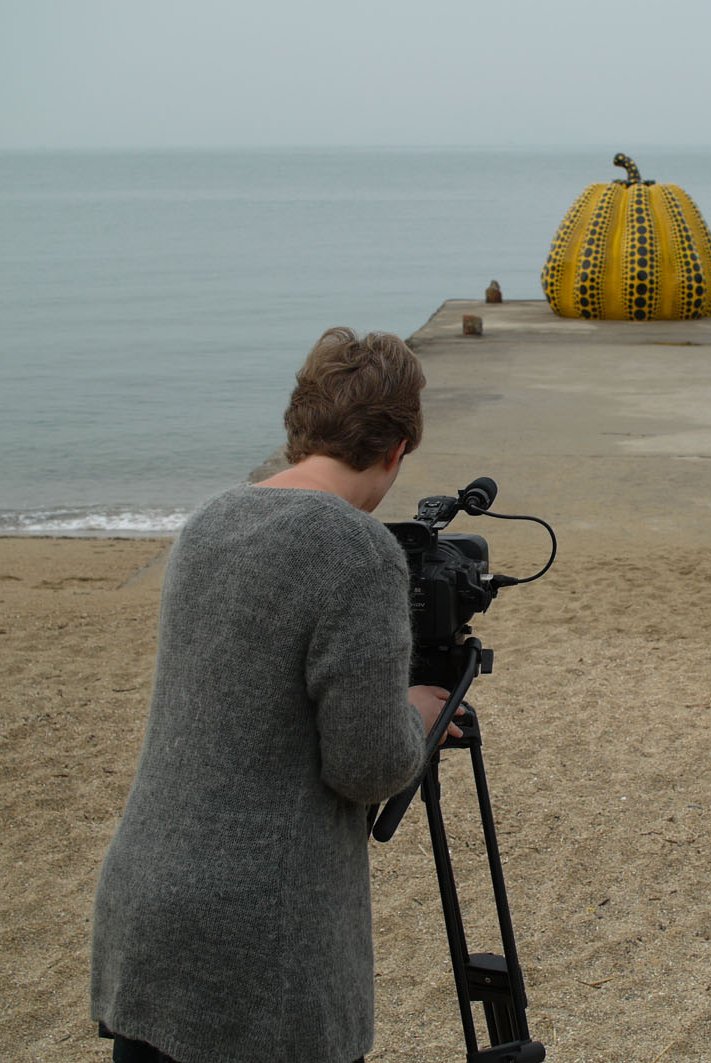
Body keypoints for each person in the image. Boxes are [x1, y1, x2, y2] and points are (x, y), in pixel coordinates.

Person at [91, 327, 458, 1063]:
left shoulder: (211, 520)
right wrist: (423, 707)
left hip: (144, 904)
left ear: (301, 427)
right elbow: (365, 765)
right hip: (259, 937)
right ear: (397, 448)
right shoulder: (354, 549)